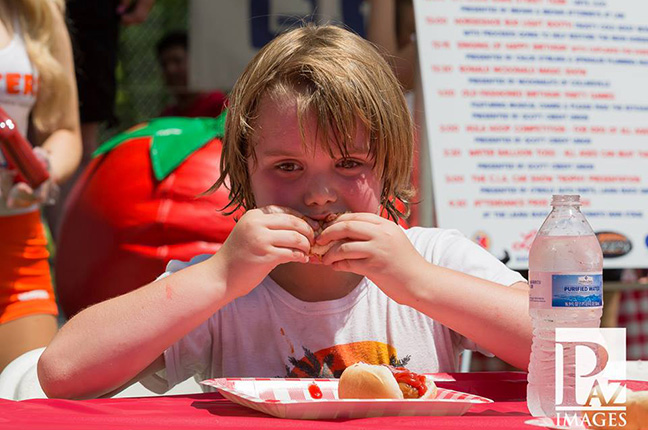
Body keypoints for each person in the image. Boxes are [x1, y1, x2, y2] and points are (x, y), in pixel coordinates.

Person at [38, 24, 532, 400]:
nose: (319, 195)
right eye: (288, 165)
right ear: (243, 169)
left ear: (390, 163)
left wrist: (419, 282)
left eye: (349, 163)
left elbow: (569, 348)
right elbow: (62, 373)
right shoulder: (224, 285)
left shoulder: (432, 257)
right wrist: (219, 278)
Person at [0, 0, 82, 372]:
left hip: (16, 243)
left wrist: (44, 166)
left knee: (29, 402)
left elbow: (64, 130)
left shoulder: (39, 11)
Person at [156, 30, 227, 118]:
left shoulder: (220, 106)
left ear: (196, 62)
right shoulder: (167, 116)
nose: (170, 70)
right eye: (164, 64)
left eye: (177, 61)